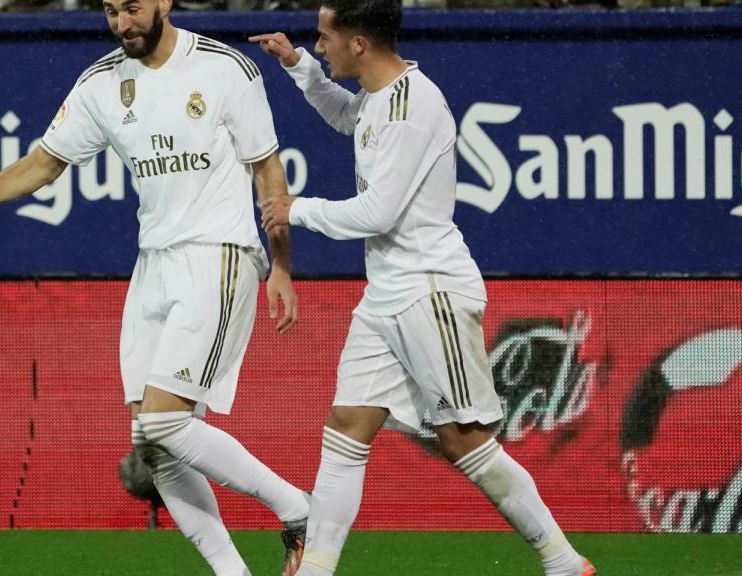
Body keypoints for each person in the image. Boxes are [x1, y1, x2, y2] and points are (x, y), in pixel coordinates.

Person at [0, 0, 310, 574]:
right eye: (110, 11)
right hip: (152, 264)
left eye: (132, 8)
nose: (122, 23)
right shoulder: (101, 83)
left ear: (164, 4)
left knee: (162, 422)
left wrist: (282, 265)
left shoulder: (226, 68)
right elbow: (45, 163)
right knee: (155, 443)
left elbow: (267, 170)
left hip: (219, 253)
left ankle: (299, 509)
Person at [249, 2, 596, 575]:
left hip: (429, 292)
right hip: (386, 295)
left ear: (358, 43)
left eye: (323, 37)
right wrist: (299, 69)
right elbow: (348, 118)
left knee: (467, 443)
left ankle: (562, 562)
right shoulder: (382, 99)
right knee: (345, 430)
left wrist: (297, 209)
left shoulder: (415, 104)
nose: (319, 45)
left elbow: (379, 212)